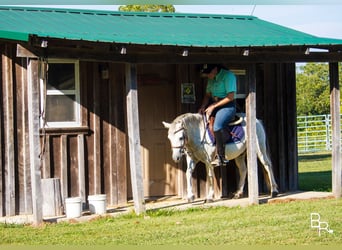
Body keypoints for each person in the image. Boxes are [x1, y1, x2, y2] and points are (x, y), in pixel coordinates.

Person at [198, 64, 237, 166]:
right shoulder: (211, 78)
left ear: (215, 70)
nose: (207, 76)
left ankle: (221, 157)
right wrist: (203, 106)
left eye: (208, 74)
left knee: (217, 126)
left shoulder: (228, 76)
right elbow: (207, 95)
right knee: (205, 123)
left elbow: (230, 97)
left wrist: (213, 106)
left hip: (227, 106)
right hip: (214, 105)